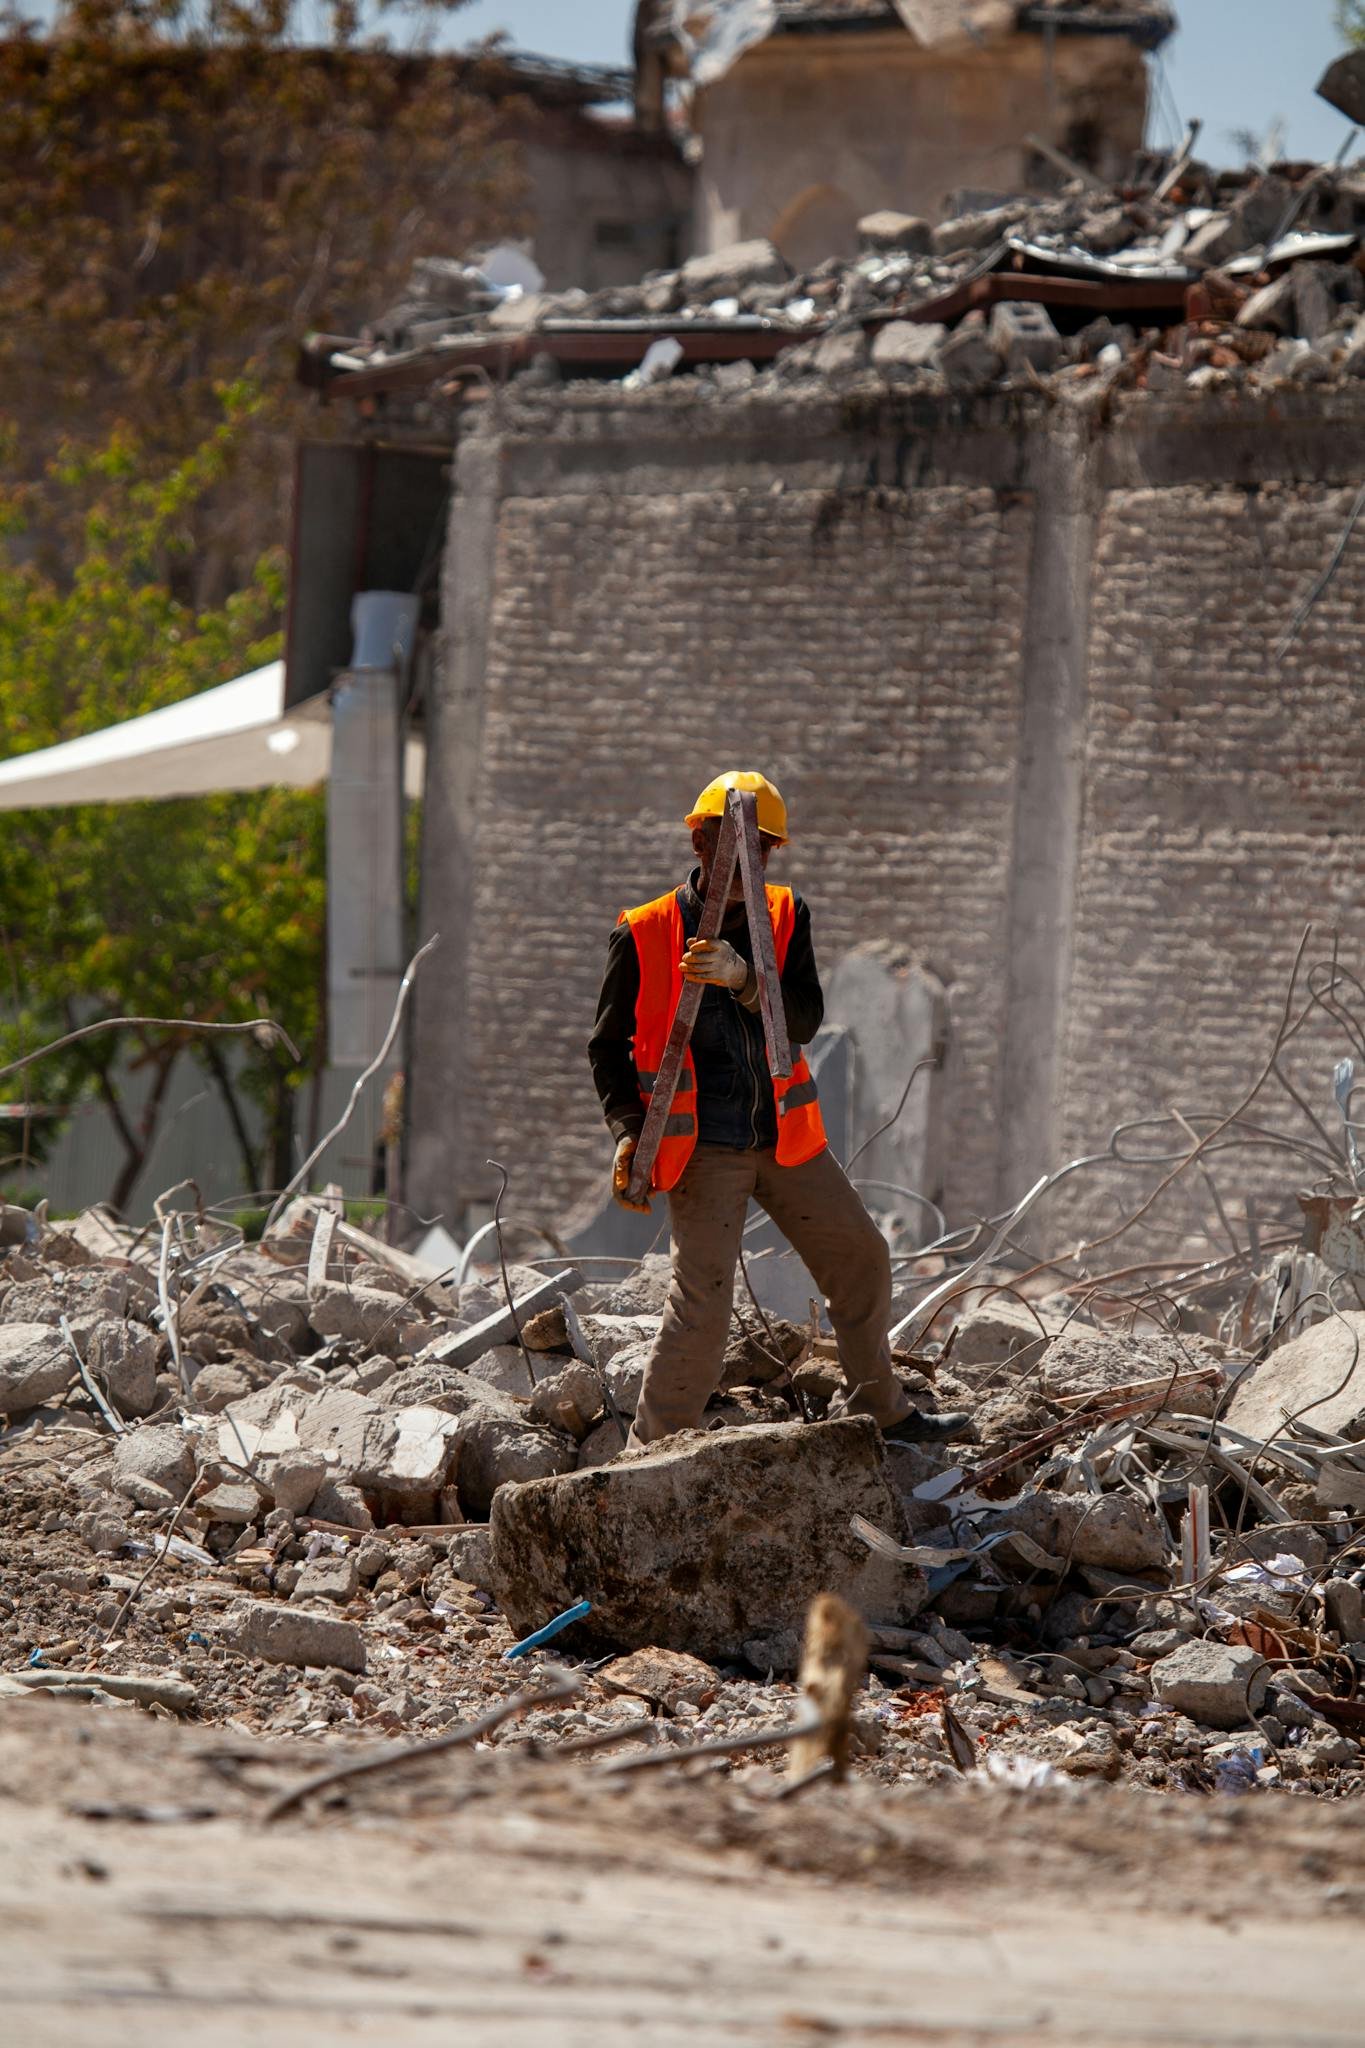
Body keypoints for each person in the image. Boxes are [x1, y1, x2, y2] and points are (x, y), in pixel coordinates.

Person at [588, 768, 967, 1448]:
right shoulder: (643, 932)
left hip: (784, 1139)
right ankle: (651, 1450)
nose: (745, 862)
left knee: (861, 1256)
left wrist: (743, 980)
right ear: (699, 843)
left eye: (759, 849)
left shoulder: (786, 917)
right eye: (731, 844)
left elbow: (803, 1020)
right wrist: (625, 1131)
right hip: (700, 1148)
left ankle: (880, 1410)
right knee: (702, 1307)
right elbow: (606, 1048)